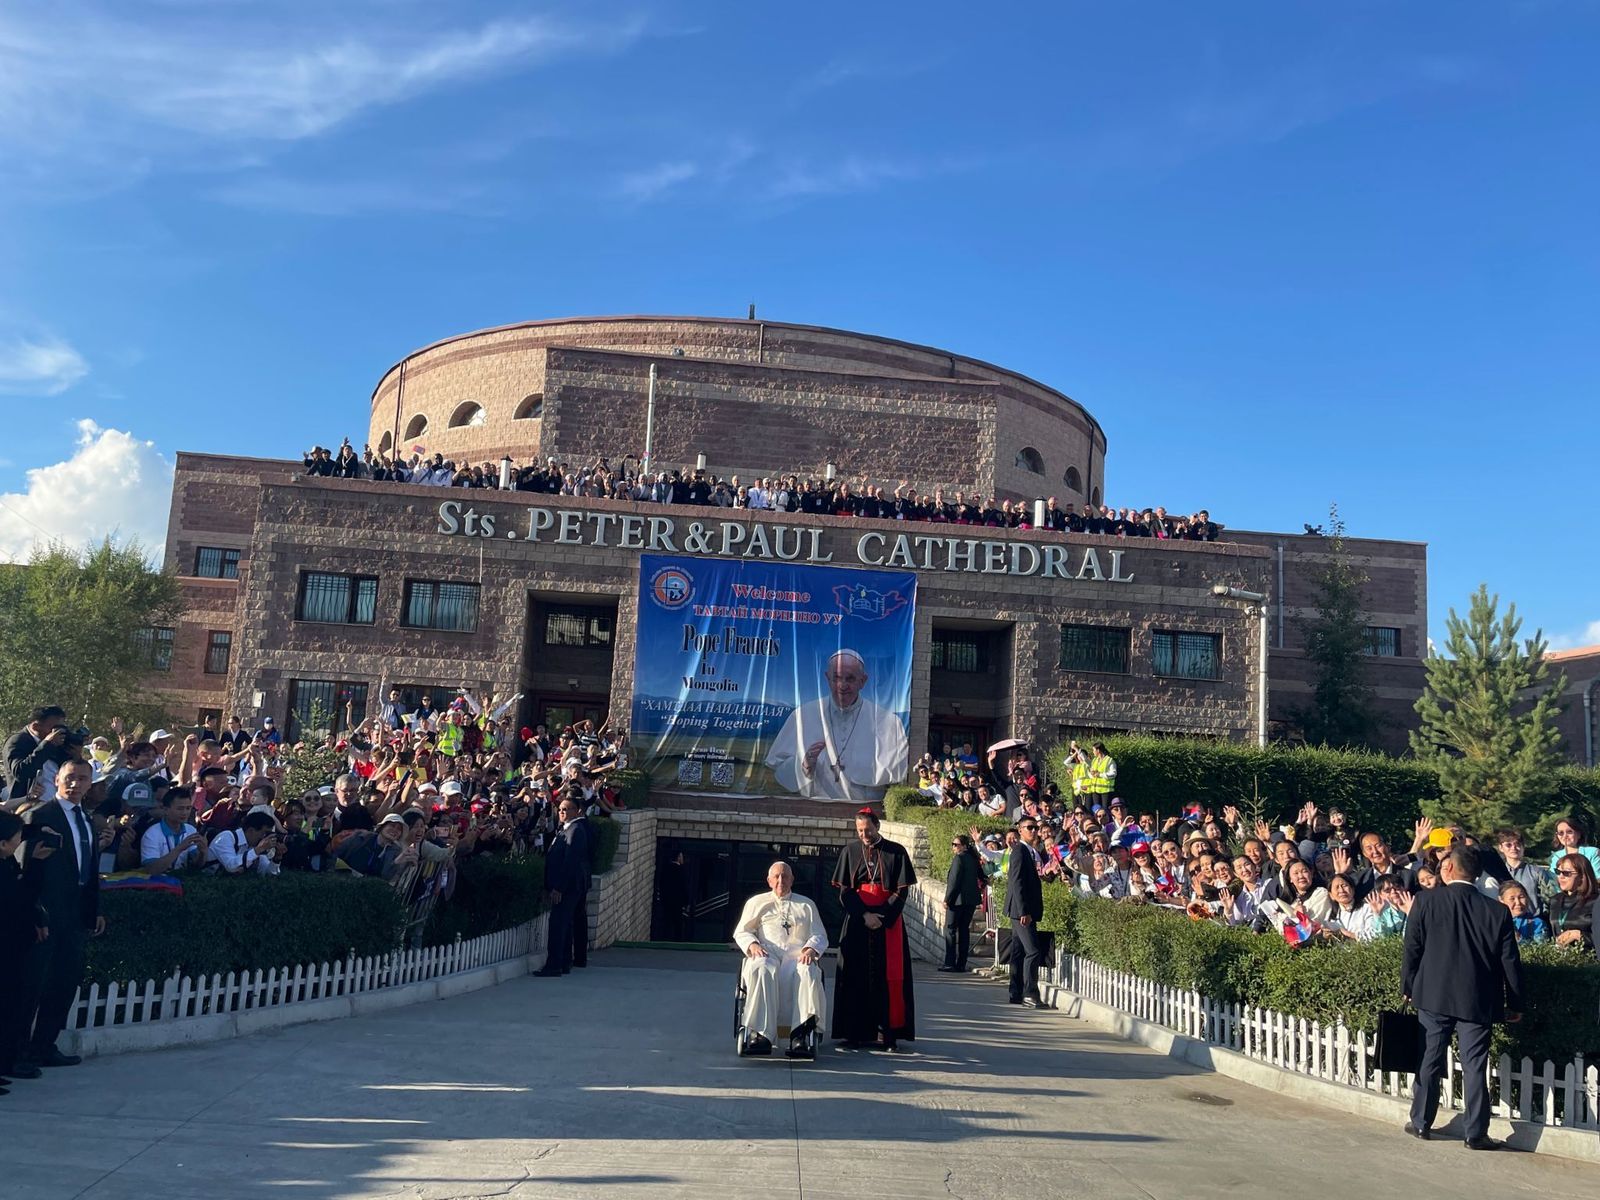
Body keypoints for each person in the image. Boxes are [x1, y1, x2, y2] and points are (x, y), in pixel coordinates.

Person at [1401, 844, 1524, 1149]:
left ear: (1451, 869)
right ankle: (1475, 1133)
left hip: (1432, 993)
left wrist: (1408, 986)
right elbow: (1510, 962)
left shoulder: (1426, 901)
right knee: (1474, 1066)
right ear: (1478, 873)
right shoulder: (1497, 910)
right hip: (1477, 998)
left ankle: (1421, 1123)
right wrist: (1516, 1002)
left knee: (1429, 1058)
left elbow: (1412, 949)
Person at [15, 759, 104, 1075]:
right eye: (70, 778)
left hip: (76, 915)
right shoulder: (39, 816)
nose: (76, 784)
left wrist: (95, 911)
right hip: (45, 915)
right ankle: (18, 1052)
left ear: (90, 783)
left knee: (63, 984)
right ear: (57, 780)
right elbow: (24, 871)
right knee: (30, 985)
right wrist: (35, 913)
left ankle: (44, 1046)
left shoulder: (87, 820)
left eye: (83, 779)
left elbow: (90, 872)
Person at [766, 650, 909, 802]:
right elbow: (777, 766)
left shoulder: (888, 722)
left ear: (863, 681)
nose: (842, 686)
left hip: (865, 812)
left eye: (850, 679)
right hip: (813, 809)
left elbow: (899, 772)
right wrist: (803, 766)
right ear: (828, 678)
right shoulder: (802, 716)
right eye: (837, 678)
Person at [831, 808, 916, 1049]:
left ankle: (888, 1034)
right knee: (853, 975)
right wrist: (864, 915)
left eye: (867, 829)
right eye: (859, 830)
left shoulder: (896, 851)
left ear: (877, 826)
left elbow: (902, 891)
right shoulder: (850, 851)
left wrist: (883, 916)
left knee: (888, 979)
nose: (864, 834)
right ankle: (854, 1033)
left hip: (888, 922)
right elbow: (845, 891)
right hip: (858, 921)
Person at [733, 861, 828, 1056]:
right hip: (766, 954)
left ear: (792, 879)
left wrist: (810, 949)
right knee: (762, 968)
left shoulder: (807, 905)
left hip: (797, 956)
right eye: (776, 876)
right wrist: (753, 945)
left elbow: (819, 934)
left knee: (807, 971)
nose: (780, 880)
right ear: (769, 880)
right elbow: (742, 931)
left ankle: (799, 1035)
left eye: (785, 876)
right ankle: (760, 1035)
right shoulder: (756, 903)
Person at [0, 811, 48, 1090]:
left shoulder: (7, 863)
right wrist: (36, 866)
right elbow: (19, 900)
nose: (21, 841)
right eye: (16, 838)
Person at [535, 796, 591, 978]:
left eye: (566, 809)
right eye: (560, 809)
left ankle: (554, 965)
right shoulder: (564, 829)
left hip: (568, 886)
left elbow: (570, 862)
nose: (562, 812)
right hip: (566, 885)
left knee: (558, 924)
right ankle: (564, 962)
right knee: (564, 924)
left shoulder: (575, 830)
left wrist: (559, 887)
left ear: (577, 812)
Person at [1006, 817, 1045, 1008]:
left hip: (1022, 909)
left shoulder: (1029, 852)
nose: (1034, 831)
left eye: (1035, 827)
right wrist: (1023, 910)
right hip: (1021, 911)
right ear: (1020, 830)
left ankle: (1015, 991)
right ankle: (1030, 993)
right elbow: (1017, 882)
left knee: (1019, 951)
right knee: (1033, 951)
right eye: (1029, 827)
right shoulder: (1019, 851)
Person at [941, 833, 983, 973]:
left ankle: (949, 963)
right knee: (964, 930)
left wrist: (947, 899)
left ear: (964, 846)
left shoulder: (959, 859)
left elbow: (954, 882)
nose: (954, 847)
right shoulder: (973, 858)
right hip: (970, 901)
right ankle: (961, 963)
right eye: (953, 844)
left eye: (956, 844)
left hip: (957, 900)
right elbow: (981, 875)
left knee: (950, 930)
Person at [1547, 853, 1596, 953]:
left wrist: (1578, 935)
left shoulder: (1596, 901)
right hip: (1561, 960)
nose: (1561, 877)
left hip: (1590, 962)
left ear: (1582, 876)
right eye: (1558, 872)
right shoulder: (1555, 900)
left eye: (1566, 873)